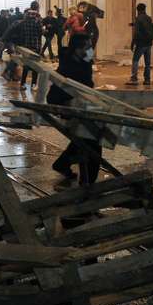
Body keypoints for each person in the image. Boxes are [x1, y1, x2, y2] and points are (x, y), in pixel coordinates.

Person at [49, 33, 101, 189]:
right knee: (93, 138)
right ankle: (89, 183)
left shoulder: (83, 58)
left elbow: (88, 77)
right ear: (78, 49)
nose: (90, 50)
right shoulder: (69, 64)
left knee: (85, 137)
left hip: (83, 101)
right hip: (65, 102)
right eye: (87, 47)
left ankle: (62, 164)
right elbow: (69, 88)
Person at [128, 3, 153, 86]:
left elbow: (136, 33)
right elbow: (147, 27)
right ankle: (147, 80)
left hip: (141, 44)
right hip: (149, 43)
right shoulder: (148, 18)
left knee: (135, 60)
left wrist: (133, 43)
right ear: (145, 9)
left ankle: (134, 78)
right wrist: (133, 24)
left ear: (138, 10)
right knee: (147, 63)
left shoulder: (138, 19)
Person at [17, 3, 43, 89]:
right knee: (35, 66)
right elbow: (40, 32)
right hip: (35, 45)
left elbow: (22, 32)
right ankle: (33, 84)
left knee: (26, 65)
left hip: (26, 45)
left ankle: (22, 84)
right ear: (37, 8)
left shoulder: (25, 19)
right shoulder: (38, 19)